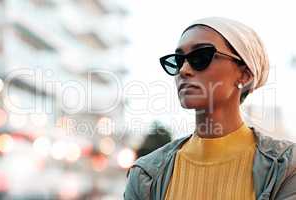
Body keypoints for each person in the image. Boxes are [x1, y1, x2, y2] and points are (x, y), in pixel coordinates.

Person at [124, 17, 296, 200]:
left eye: (200, 57)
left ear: (245, 75)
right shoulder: (145, 174)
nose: (184, 70)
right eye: (178, 60)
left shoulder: (286, 167)